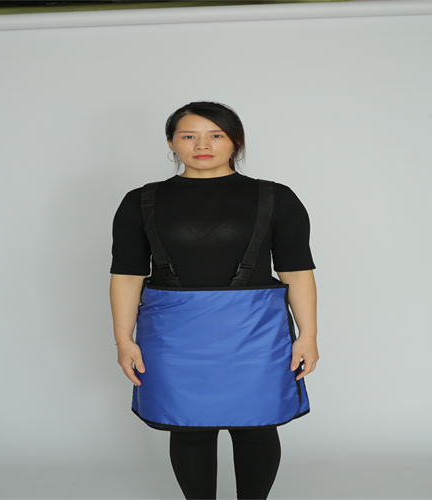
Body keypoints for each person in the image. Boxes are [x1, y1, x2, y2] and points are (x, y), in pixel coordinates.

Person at [110, 101, 319, 500]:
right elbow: (126, 275)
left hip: (256, 336)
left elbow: (297, 272)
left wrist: (307, 336)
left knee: (256, 427)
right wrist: (123, 339)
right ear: (171, 142)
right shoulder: (140, 201)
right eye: (189, 135)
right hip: (173, 338)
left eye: (216, 135)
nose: (202, 145)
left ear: (235, 142)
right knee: (189, 429)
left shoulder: (276, 198)